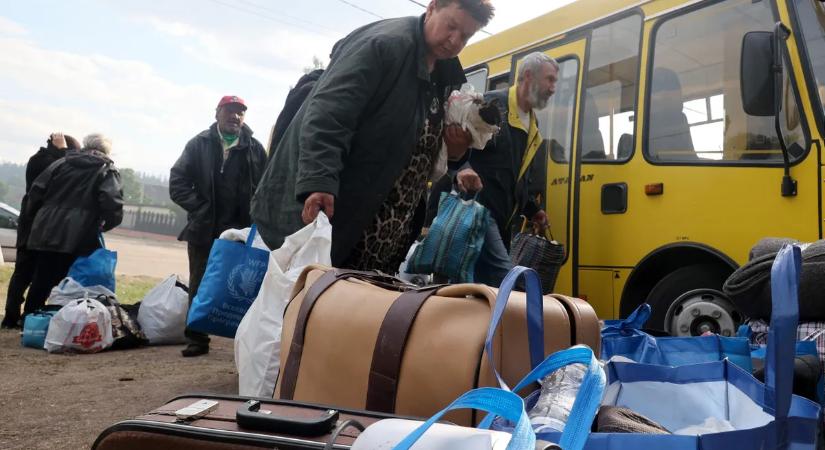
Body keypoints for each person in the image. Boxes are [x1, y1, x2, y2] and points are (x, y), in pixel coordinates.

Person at [252, 0, 493, 274]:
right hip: (340, 220)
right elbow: (328, 114)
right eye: (452, 27)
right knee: (304, 308)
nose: (454, 41)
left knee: (356, 314)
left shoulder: (443, 75)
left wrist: (456, 154)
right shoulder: (384, 45)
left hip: (387, 235)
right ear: (432, 7)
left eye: (465, 36)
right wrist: (318, 182)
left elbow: (417, 145)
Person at [448, 52, 559, 287]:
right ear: (528, 76)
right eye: (550, 80)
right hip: (478, 211)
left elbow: (516, 174)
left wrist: (532, 210)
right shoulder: (493, 105)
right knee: (510, 282)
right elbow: (453, 143)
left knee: (482, 287)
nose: (553, 88)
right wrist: (462, 169)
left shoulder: (532, 121)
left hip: (503, 219)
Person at [170, 95, 267, 357]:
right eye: (230, 111)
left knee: (244, 286)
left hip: (240, 231)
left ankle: (244, 342)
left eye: (240, 113)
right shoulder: (198, 144)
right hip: (205, 226)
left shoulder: (255, 149)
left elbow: (267, 186)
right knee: (200, 282)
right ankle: (197, 339)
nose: (235, 117)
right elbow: (177, 181)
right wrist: (200, 207)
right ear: (217, 113)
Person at [22, 133, 124, 316]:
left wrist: (37, 219)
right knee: (75, 281)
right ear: (107, 151)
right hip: (81, 234)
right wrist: (102, 227)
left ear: (85, 145)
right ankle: (66, 321)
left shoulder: (61, 163)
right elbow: (113, 205)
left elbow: (36, 192)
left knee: (42, 278)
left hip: (46, 228)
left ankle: (30, 320)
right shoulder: (107, 170)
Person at [2, 133, 82, 329]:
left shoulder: (37, 159)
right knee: (37, 274)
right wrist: (64, 151)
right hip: (41, 225)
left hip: (30, 223)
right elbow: (66, 169)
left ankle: (10, 317)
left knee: (22, 273)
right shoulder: (48, 162)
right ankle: (27, 316)